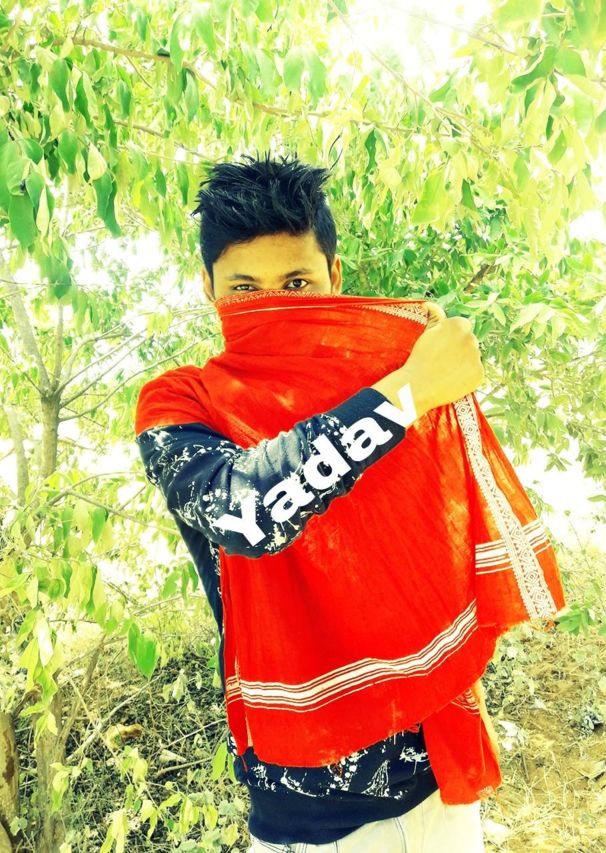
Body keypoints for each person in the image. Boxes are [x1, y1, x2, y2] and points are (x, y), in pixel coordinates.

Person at [134, 152, 493, 852]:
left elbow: (438, 531)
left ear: (335, 275)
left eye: (296, 282)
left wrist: (410, 366)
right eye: (245, 288)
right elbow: (246, 513)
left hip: (438, 772)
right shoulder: (181, 403)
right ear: (208, 289)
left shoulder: (382, 373)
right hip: (312, 813)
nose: (275, 305)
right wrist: (411, 390)